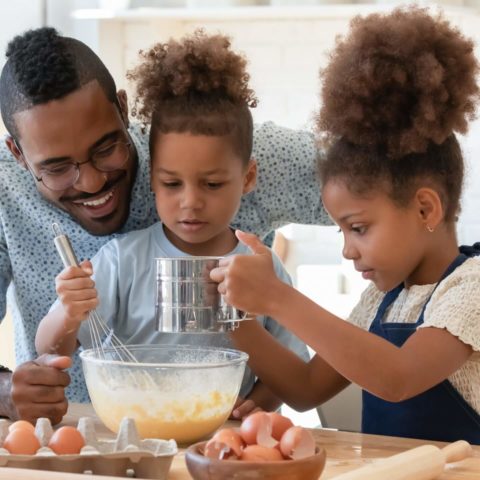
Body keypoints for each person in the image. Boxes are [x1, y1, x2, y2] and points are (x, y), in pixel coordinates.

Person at [0, 26, 328, 421]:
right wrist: (5, 393)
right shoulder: (10, 195)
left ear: (122, 109)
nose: (90, 182)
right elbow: (55, 342)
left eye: (105, 149)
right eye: (56, 168)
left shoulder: (223, 144)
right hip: (83, 436)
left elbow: (390, 181)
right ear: (17, 153)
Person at [211, 6, 480, 442]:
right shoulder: (382, 300)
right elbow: (305, 388)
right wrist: (234, 314)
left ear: (426, 209)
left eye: (358, 228)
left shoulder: (470, 290)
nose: (348, 250)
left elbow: (398, 377)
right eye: (341, 231)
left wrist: (277, 297)